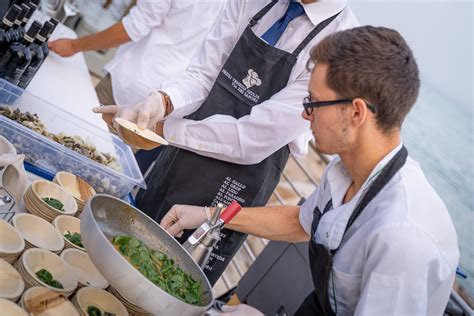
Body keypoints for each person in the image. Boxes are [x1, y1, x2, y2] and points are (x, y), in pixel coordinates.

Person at [160, 26, 460, 315]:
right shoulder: (346, 169)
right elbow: (301, 222)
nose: (305, 114)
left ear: (357, 112)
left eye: (314, 102)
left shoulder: (402, 238)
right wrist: (210, 216)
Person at [94, 0, 359, 285]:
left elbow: (253, 138)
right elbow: (203, 74)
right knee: (123, 246)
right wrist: (163, 101)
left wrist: (162, 129)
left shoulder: (343, 44)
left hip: (237, 182)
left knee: (169, 281)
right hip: (184, 154)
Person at [49, 0, 227, 172]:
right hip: (167, 105)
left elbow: (133, 27)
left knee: (66, 147)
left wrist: (73, 45)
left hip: (128, 86)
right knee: (101, 167)